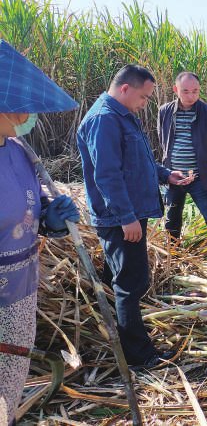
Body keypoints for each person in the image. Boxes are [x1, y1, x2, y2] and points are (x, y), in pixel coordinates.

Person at [77, 64, 192, 369]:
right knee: (131, 282)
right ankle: (139, 356)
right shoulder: (104, 119)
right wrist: (126, 217)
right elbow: (107, 175)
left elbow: (137, 163)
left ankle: (111, 331)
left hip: (128, 212)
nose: (145, 103)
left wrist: (167, 175)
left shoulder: (123, 116)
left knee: (120, 276)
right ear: (125, 89)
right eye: (144, 97)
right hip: (120, 217)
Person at [0, 40, 80, 425]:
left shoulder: (19, 152)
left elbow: (25, 212)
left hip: (21, 293)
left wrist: (50, 219)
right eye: (20, 103)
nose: (28, 113)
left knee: (9, 384)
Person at [158, 72, 207, 266]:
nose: (191, 95)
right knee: (172, 220)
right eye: (185, 91)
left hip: (199, 177)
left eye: (195, 91)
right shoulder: (164, 111)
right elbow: (163, 139)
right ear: (176, 90)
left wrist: (200, 162)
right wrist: (170, 173)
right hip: (173, 177)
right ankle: (173, 258)